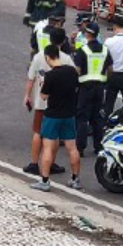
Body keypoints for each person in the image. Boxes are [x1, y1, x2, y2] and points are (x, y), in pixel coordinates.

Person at [31, 44, 83, 192]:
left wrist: (42, 84)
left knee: (47, 147)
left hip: (53, 115)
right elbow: (76, 88)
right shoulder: (72, 72)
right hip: (69, 114)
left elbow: (44, 96)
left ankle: (45, 181)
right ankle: (75, 179)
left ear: (48, 57)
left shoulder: (51, 75)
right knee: (72, 148)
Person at [24, 27, 73, 175]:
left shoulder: (39, 56)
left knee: (38, 132)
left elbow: (31, 78)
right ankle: (51, 162)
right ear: (64, 41)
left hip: (41, 100)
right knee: (54, 135)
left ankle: (34, 163)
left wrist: (27, 96)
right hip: (58, 102)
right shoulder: (66, 59)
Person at [75, 22, 113, 156]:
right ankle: (98, 147)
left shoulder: (83, 51)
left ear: (88, 34)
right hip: (99, 88)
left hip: (85, 88)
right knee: (97, 118)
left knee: (82, 118)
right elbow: (110, 69)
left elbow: (77, 71)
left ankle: (80, 148)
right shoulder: (105, 50)